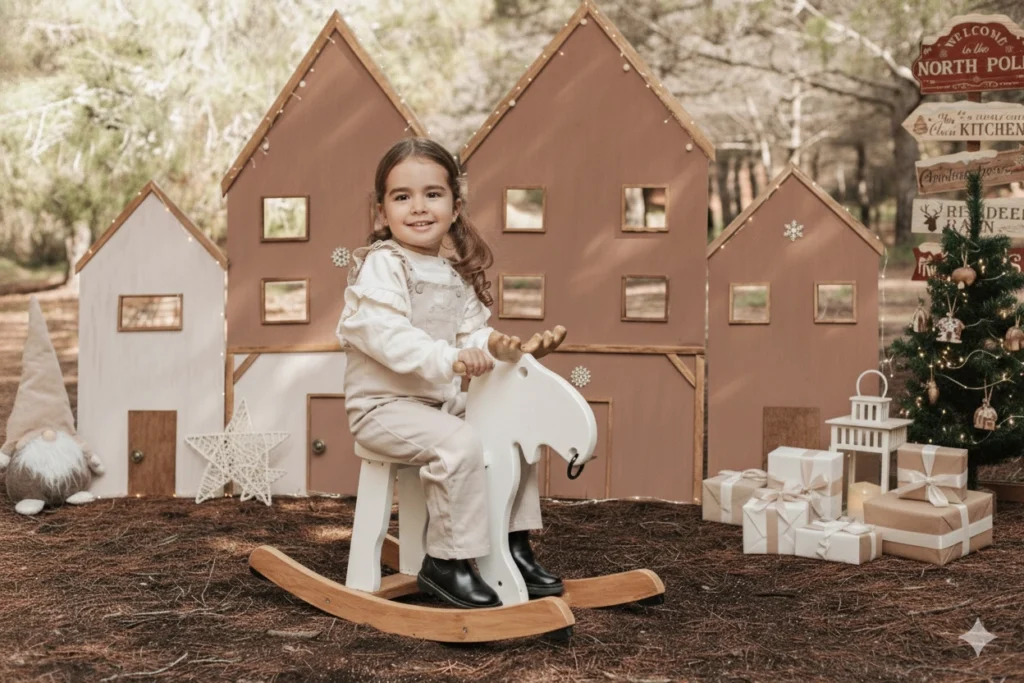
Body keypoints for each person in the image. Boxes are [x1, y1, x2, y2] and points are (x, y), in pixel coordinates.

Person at [336, 137, 566, 609]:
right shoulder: (383, 266)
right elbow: (388, 336)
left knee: (511, 432)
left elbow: (471, 338)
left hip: (436, 405)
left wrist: (505, 349)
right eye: (402, 197)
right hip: (382, 408)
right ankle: (447, 562)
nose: (418, 208)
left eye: (432, 195)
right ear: (381, 213)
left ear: (456, 206)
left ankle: (512, 543)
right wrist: (452, 359)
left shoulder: (452, 274)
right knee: (460, 444)